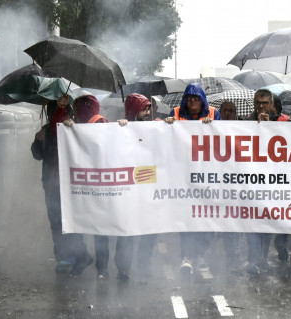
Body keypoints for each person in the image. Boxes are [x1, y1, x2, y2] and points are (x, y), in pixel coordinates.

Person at [64, 94, 130, 280]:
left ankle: (109, 269)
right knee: (105, 229)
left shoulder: (100, 124)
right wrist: (69, 129)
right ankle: (112, 269)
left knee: (105, 229)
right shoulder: (86, 125)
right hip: (104, 185)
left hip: (105, 185)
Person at [31, 94, 92, 275]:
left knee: (71, 221)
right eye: (57, 106)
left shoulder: (73, 127)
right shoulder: (46, 130)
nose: (61, 108)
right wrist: (38, 140)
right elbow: (37, 155)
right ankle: (64, 258)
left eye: (64, 105)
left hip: (70, 183)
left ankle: (80, 255)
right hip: (51, 183)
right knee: (56, 222)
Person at [166, 83, 220, 278]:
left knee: (208, 220)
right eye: (189, 98)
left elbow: (223, 138)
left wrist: (212, 127)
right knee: (187, 219)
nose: (192, 102)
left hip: (208, 175)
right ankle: (187, 255)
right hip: (184, 176)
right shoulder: (176, 112)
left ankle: (200, 253)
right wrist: (169, 124)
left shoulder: (214, 113)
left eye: (196, 98)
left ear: (202, 100)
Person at [114, 94, 159, 280]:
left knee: (149, 230)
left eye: (149, 108)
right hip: (130, 189)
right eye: (143, 109)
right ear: (133, 110)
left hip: (149, 187)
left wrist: (169, 124)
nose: (147, 112)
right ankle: (123, 268)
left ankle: (144, 265)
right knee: (127, 230)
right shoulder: (121, 128)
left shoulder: (156, 126)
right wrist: (120, 129)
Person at [243, 89, 287, 274]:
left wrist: (270, 128)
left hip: (272, 180)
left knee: (267, 222)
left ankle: (262, 257)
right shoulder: (245, 122)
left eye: (265, 103)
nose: (261, 106)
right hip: (252, 179)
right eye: (258, 103)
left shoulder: (281, 122)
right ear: (254, 104)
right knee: (253, 222)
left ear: (271, 104)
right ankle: (253, 258)